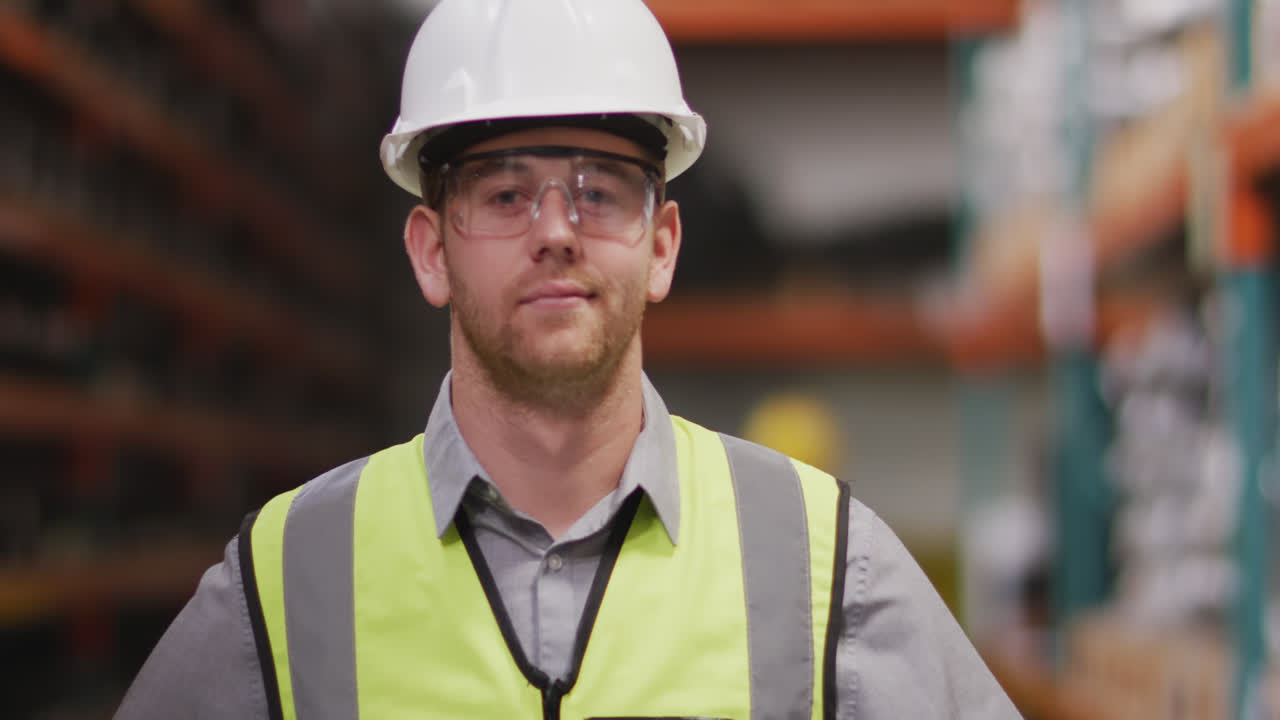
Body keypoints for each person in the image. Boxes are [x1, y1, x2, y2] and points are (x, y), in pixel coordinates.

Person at [117, 0, 1022, 717]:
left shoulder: (826, 563)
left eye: (598, 191)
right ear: (431, 250)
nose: (555, 231)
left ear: (663, 245)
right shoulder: (288, 577)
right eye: (506, 193)